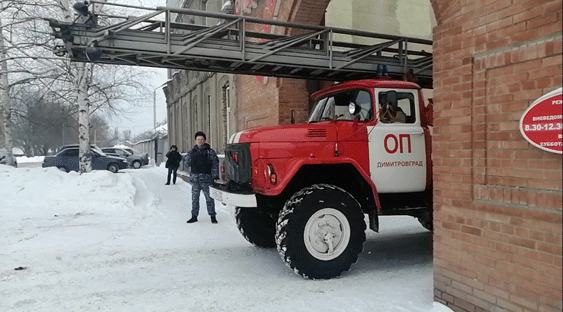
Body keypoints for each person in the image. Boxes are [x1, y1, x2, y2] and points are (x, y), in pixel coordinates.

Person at [184, 131, 219, 224]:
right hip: (195, 180)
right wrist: (189, 156)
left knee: (209, 198)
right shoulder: (192, 152)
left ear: (205, 140)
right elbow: (186, 164)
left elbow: (215, 164)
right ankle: (194, 216)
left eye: (202, 139)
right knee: (195, 199)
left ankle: (212, 216)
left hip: (206, 179)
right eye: (198, 139)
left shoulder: (209, 151)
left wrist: (214, 176)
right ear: (195, 141)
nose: (200, 141)